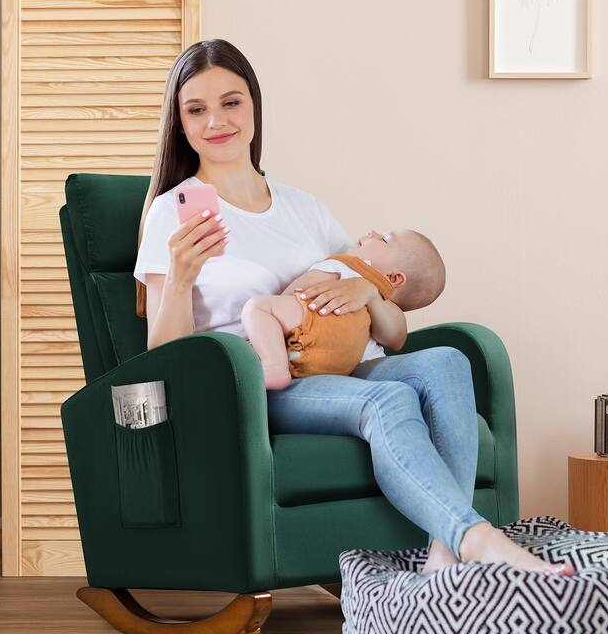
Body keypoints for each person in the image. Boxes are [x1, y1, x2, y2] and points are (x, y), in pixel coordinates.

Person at [133, 38, 574, 577]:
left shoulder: (303, 208)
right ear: (180, 124)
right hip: (262, 379)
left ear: (254, 107)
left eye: (231, 102)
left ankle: (442, 550)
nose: (216, 121)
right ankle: (474, 536)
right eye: (195, 110)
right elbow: (163, 355)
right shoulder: (170, 214)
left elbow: (393, 336)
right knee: (386, 400)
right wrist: (179, 279)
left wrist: (370, 291)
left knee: (446, 362)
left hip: (345, 359)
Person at [241, 227, 446, 389]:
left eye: (384, 239)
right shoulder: (386, 311)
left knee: (258, 307)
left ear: (394, 278)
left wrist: (274, 320)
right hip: (348, 371)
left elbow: (300, 292)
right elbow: (395, 339)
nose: (372, 232)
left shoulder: (346, 267)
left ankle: (274, 365)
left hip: (310, 337)